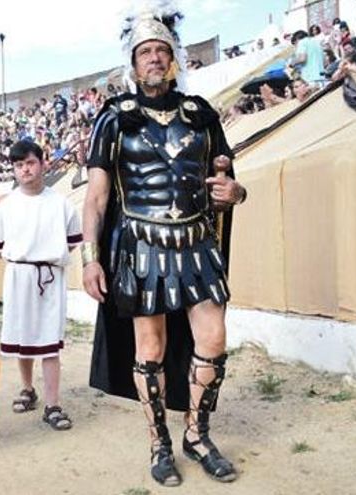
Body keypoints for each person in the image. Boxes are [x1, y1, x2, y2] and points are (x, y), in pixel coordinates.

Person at [82, 7, 247, 487]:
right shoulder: (113, 118)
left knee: (213, 338)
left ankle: (198, 434)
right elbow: (96, 198)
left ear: (173, 60)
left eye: (161, 51)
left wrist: (235, 193)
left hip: (196, 243)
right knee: (150, 347)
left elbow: (226, 180)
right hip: (141, 246)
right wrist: (91, 259)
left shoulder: (201, 113)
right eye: (145, 52)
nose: (154, 59)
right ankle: (159, 443)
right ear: (132, 64)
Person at [0, 139, 81, 431]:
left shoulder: (60, 203)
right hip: (19, 277)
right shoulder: (6, 206)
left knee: (49, 343)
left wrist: (46, 257)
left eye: (30, 162)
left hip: (49, 277)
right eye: (19, 165)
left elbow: (73, 242)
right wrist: (25, 260)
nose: (25, 169)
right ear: (14, 169)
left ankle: (53, 404)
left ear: (42, 163)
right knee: (23, 340)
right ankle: (28, 388)